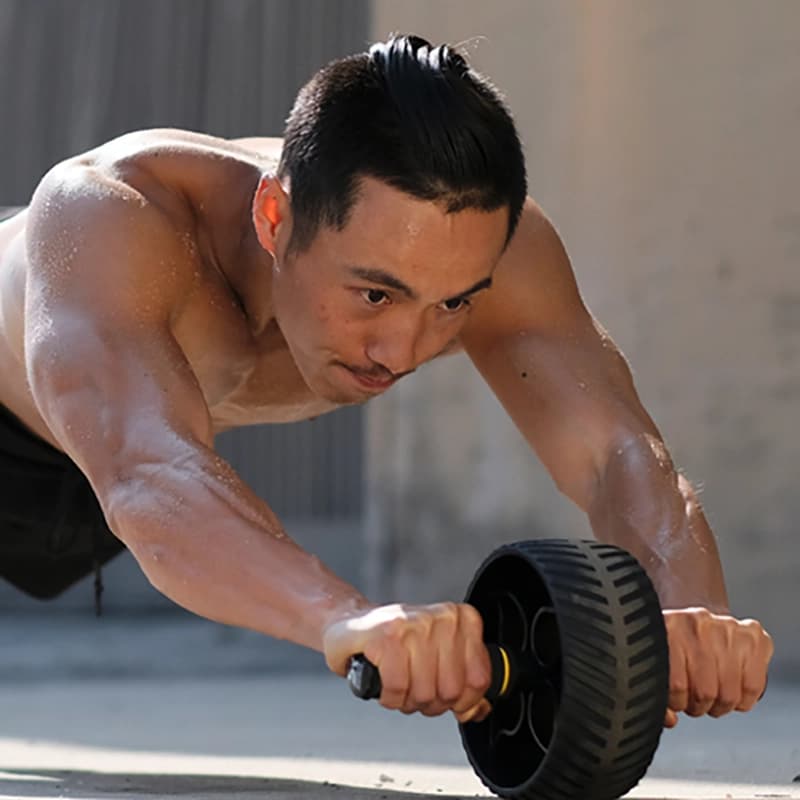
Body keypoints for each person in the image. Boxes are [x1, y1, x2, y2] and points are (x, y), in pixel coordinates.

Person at [0, 34, 772, 727]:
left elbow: (616, 452)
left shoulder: (496, 253)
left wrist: (693, 613)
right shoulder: (114, 216)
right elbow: (149, 474)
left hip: (107, 468)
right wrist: (344, 618)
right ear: (274, 218)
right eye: (376, 294)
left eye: (452, 305)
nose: (402, 350)